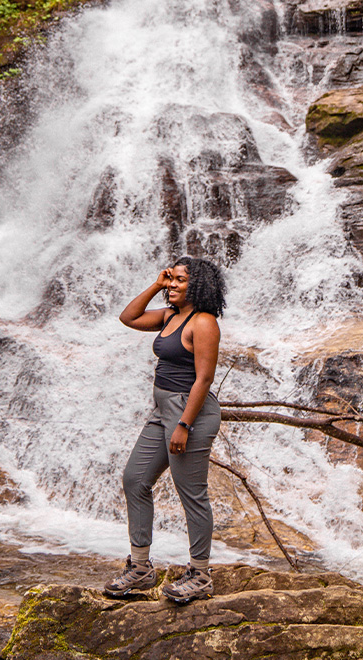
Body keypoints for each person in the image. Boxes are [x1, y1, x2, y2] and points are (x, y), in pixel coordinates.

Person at [104, 256, 226, 603]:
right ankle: (141, 568)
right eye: (171, 279)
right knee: (135, 479)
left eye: (180, 281)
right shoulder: (172, 315)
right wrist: (157, 284)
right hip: (163, 410)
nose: (172, 285)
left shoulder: (203, 323)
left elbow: (204, 378)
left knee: (192, 494)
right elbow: (128, 317)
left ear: (198, 286)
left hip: (191, 413)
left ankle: (201, 575)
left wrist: (184, 425)